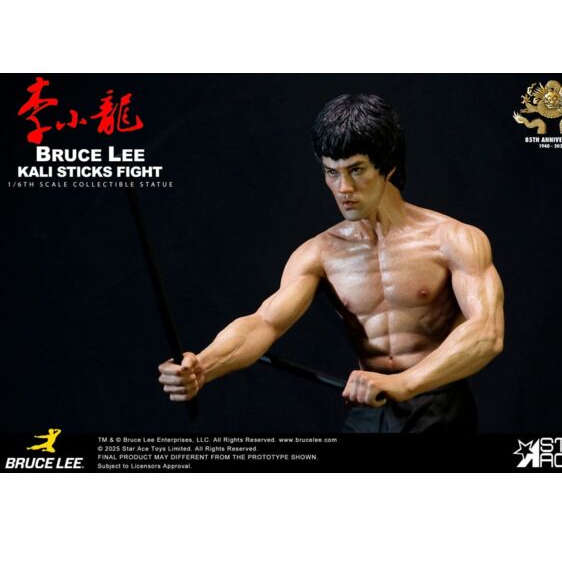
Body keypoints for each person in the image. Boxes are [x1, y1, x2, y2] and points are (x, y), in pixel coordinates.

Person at [158, 94, 504, 433]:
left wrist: (406, 382)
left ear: (388, 167)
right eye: (331, 172)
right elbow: (264, 323)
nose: (343, 188)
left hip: (438, 404)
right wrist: (202, 366)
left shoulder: (452, 239)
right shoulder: (320, 253)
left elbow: (487, 333)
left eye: (356, 170)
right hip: (370, 407)